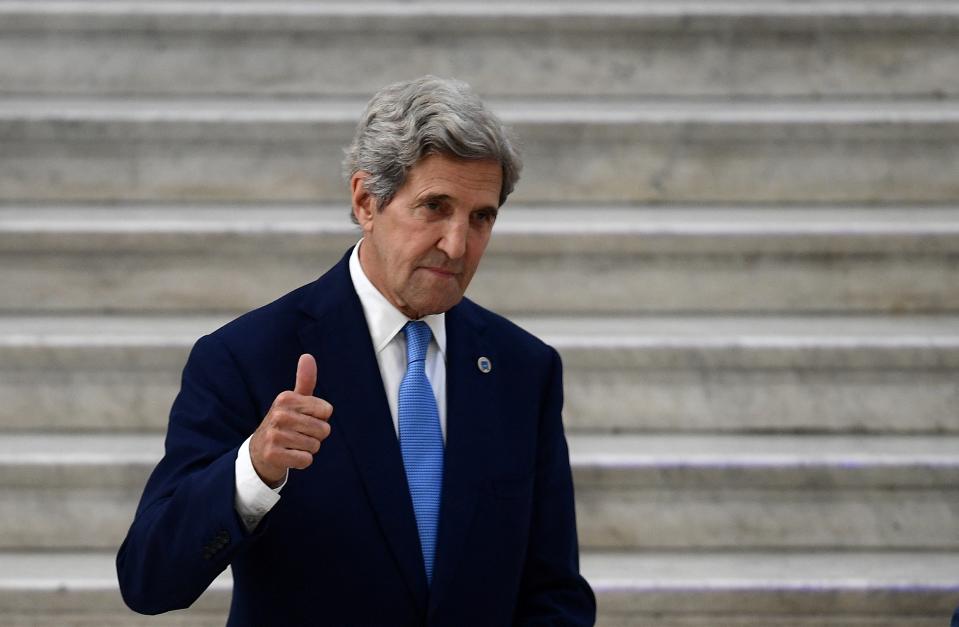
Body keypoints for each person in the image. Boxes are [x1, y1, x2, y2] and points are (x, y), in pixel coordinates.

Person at [116, 75, 596, 626]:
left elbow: (555, 592)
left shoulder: (523, 369)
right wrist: (254, 469)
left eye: (480, 217)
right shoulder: (246, 358)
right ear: (367, 200)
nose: (458, 244)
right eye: (434, 207)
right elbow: (147, 579)